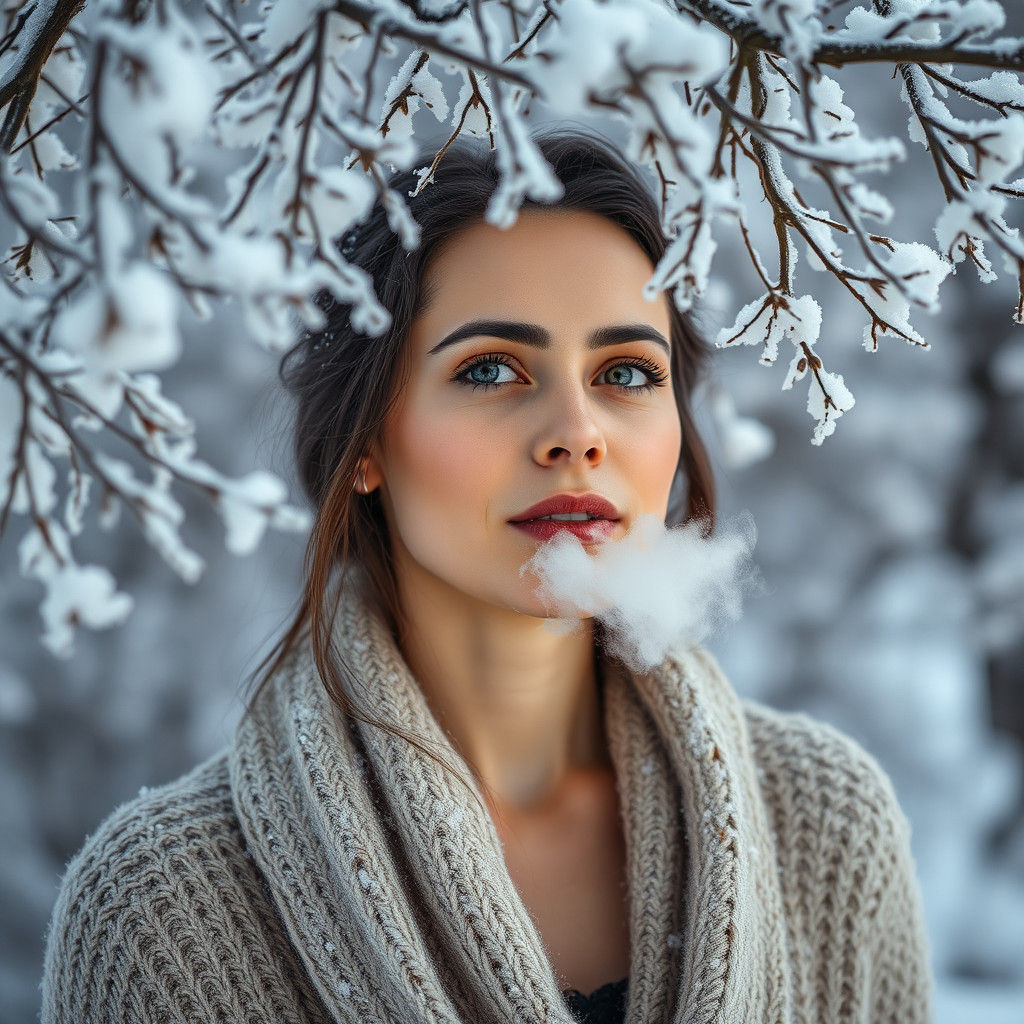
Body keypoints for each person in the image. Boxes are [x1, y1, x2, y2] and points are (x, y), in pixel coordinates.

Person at [40, 127, 934, 1024]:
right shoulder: (160, 911)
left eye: (626, 370)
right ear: (367, 444)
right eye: (493, 369)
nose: (577, 432)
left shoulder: (826, 828)